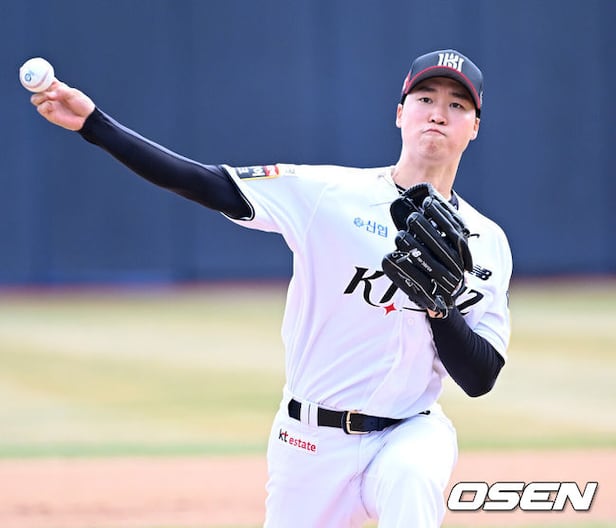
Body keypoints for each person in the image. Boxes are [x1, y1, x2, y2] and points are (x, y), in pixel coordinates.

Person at [29, 48, 512, 527]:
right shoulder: (329, 195)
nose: (438, 114)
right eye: (426, 99)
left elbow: (480, 378)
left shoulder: (487, 243)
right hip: (311, 441)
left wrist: (439, 309)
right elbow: (205, 183)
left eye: (457, 105)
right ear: (401, 113)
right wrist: (95, 125)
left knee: (413, 479)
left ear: (474, 126)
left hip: (409, 433)